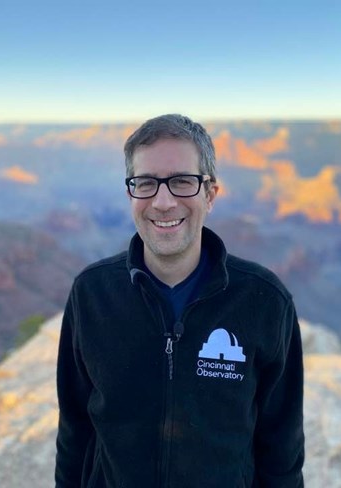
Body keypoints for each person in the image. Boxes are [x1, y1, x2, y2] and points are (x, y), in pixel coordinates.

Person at [55, 114, 304, 487]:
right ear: (131, 194)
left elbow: (281, 451)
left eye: (182, 182)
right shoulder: (92, 295)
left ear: (210, 195)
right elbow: (74, 430)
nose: (164, 201)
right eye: (146, 183)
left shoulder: (264, 302)